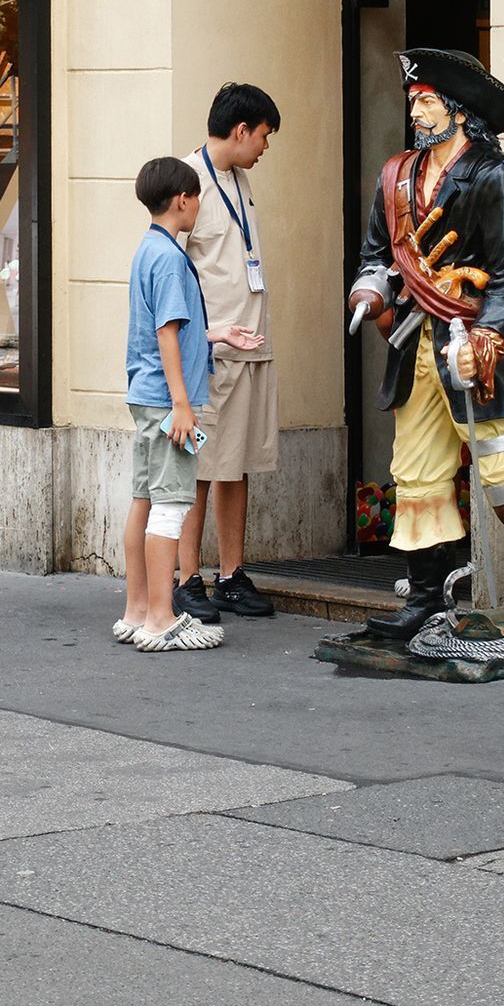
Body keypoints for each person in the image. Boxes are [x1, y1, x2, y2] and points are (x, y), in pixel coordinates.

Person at [347, 49, 504, 639]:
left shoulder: (499, 175)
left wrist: (490, 335)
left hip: (478, 342)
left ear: (460, 110)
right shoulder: (396, 175)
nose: (416, 112)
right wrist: (370, 290)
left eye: (427, 101)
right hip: (415, 341)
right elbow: (377, 253)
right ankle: (426, 599)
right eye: (413, 101)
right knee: (416, 472)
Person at [120, 156, 264, 651]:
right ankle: (162, 617)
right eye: (197, 197)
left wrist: (215, 334)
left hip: (145, 396)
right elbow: (166, 334)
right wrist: (182, 404)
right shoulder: (172, 258)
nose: (200, 205)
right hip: (167, 402)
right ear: (183, 200)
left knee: (144, 500)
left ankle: (137, 609)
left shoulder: (148, 249)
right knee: (171, 505)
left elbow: (169, 331)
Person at [173, 83, 283, 625]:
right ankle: (186, 576)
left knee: (236, 465)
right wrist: (205, 337)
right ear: (241, 131)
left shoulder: (241, 180)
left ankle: (232, 575)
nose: (265, 146)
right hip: (212, 351)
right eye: (263, 135)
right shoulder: (187, 183)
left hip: (252, 346)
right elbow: (170, 272)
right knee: (198, 467)